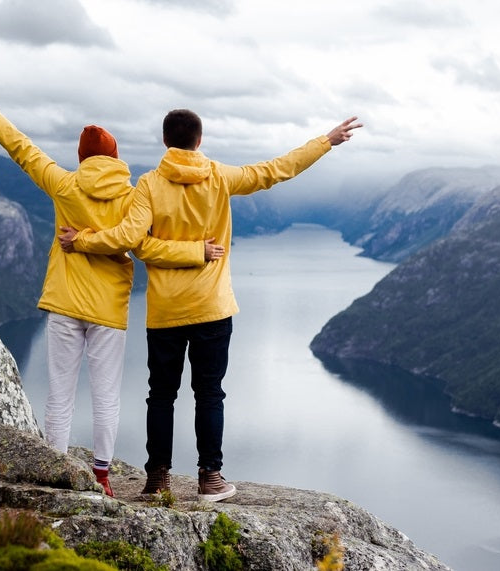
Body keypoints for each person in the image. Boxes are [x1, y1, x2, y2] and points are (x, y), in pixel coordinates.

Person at [59, 108, 362, 501]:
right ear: (199, 141)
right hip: (212, 308)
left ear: (165, 141)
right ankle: (210, 479)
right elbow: (276, 170)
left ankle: (157, 480)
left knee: (161, 396)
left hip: (165, 311)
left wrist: (80, 240)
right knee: (210, 393)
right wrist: (327, 141)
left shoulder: (149, 185)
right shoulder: (220, 176)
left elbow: (132, 242)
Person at [0, 88, 225, 498]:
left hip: (65, 302)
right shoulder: (133, 195)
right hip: (109, 310)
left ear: (83, 157)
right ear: (116, 157)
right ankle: (102, 477)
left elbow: (26, 153)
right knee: (106, 397)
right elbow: (141, 244)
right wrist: (197, 252)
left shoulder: (65, 185)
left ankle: (54, 471)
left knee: (60, 393)